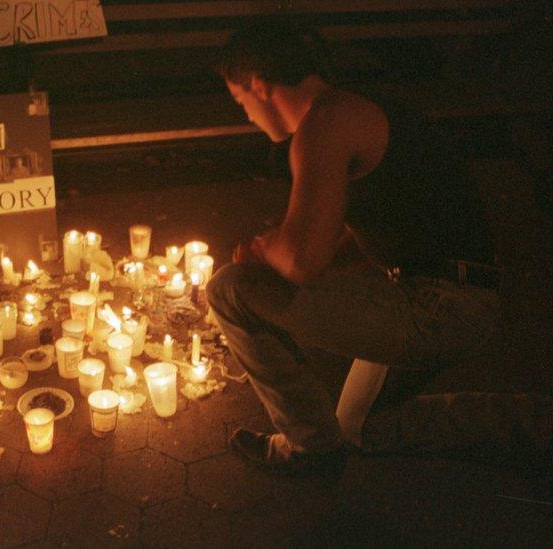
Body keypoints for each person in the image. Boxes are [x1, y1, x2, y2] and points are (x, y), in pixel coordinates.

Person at [206, 24, 549, 475]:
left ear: (259, 86)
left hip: (438, 308)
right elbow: (361, 235)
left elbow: (300, 260)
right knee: (359, 427)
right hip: (459, 296)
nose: (247, 116)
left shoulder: (323, 125)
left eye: (241, 102)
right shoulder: (352, 107)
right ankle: (536, 420)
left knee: (230, 290)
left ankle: (308, 449)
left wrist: (261, 249)